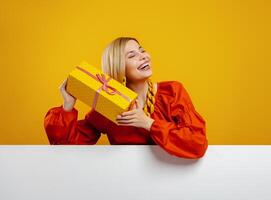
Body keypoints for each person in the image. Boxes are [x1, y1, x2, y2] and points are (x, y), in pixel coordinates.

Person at [44, 37, 208, 159]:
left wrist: (148, 123)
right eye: (132, 55)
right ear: (119, 67)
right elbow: (64, 149)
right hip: (126, 188)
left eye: (142, 50)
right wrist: (67, 106)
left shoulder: (172, 92)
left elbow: (197, 143)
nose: (143, 56)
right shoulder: (108, 107)